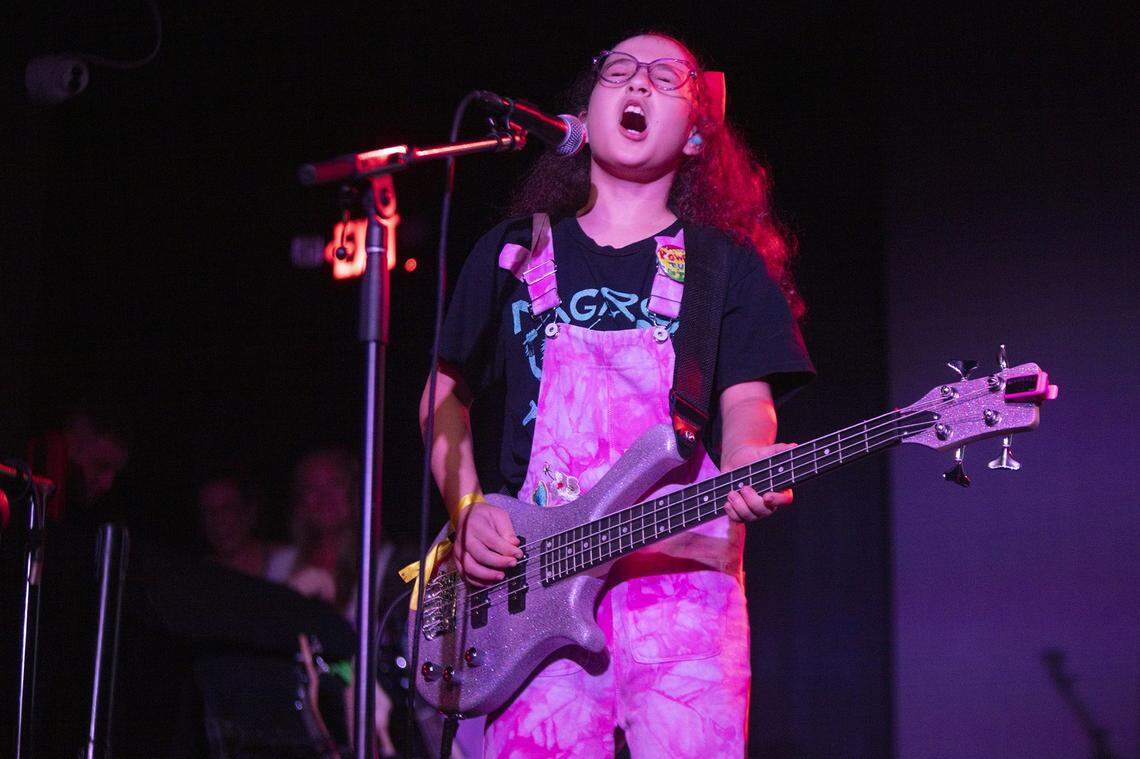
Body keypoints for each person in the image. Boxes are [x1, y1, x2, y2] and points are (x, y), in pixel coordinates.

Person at [421, 32, 815, 757]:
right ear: (587, 108)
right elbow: (442, 397)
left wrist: (750, 459)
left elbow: (746, 403)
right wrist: (468, 507)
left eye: (667, 78)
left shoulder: (722, 265)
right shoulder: (515, 250)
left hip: (681, 587)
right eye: (619, 71)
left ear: (697, 134)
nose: (638, 84)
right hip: (532, 590)